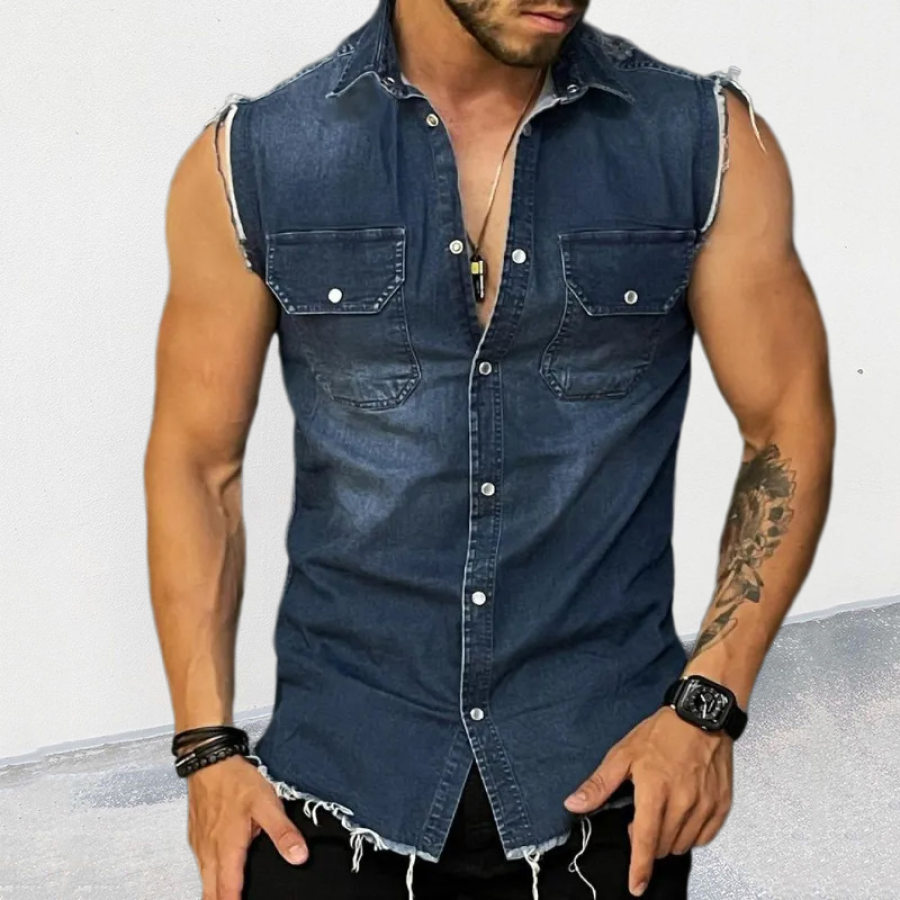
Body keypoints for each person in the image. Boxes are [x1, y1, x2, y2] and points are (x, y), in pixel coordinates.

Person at [144, 0, 835, 897]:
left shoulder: (703, 142)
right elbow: (197, 465)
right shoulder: (254, 159)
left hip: (603, 790)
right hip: (332, 793)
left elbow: (786, 421)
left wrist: (708, 708)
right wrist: (206, 752)